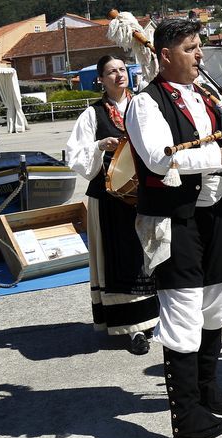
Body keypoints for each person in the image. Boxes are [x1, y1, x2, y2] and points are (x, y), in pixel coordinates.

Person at [125, 17, 222, 438]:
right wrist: (221, 153)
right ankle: (185, 416)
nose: (200, 56)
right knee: (183, 310)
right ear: (166, 55)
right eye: (191, 48)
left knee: (216, 304)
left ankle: (207, 386)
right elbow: (158, 159)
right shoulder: (146, 103)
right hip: (174, 219)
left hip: (214, 214)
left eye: (199, 47)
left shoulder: (206, 97)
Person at [64, 55, 159, 355]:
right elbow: (74, 155)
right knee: (122, 260)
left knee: (152, 254)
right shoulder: (92, 115)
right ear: (100, 80)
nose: (119, 75)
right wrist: (97, 146)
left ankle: (158, 320)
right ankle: (132, 329)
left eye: (122, 70)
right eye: (111, 72)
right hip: (109, 198)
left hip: (146, 192)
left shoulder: (143, 105)